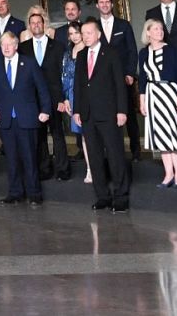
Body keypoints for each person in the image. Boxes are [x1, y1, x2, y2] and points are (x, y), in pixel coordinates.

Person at [0, 30, 52, 205]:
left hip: (28, 118)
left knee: (30, 158)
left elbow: (42, 89)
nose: (6, 48)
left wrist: (45, 110)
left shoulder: (29, 63)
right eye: (3, 45)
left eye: (9, 44)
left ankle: (34, 194)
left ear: (16, 46)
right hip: (5, 120)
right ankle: (15, 193)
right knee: (12, 159)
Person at [72, 17, 130, 212]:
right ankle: (102, 196)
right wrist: (77, 110)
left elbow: (119, 85)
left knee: (115, 155)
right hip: (88, 115)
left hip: (109, 113)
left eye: (89, 33)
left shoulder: (111, 53)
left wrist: (122, 110)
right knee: (95, 157)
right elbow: (79, 86)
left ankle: (120, 197)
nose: (85, 37)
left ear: (98, 34)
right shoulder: (80, 56)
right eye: (83, 33)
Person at [136, 16, 177, 188]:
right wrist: (142, 101)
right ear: (148, 32)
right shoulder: (143, 53)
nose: (159, 32)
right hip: (153, 96)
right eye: (155, 29)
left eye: (161, 29)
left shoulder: (173, 50)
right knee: (161, 137)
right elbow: (143, 80)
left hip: (171, 94)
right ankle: (168, 175)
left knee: (175, 135)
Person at [21, 11, 68, 180]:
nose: (36, 25)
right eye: (32, 23)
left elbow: (63, 74)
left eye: (38, 22)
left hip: (55, 98)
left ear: (44, 25)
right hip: (33, 99)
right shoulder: (23, 47)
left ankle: (62, 169)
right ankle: (44, 169)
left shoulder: (58, 46)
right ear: (29, 26)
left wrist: (62, 98)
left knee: (57, 134)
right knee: (39, 136)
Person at [95, 0, 140, 161]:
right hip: (102, 82)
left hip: (123, 79)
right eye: (101, 2)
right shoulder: (94, 26)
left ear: (112, 5)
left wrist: (129, 73)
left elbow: (132, 51)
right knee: (108, 117)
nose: (105, 5)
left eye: (107, 2)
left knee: (129, 116)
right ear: (97, 6)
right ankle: (114, 152)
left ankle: (136, 152)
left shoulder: (124, 25)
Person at [61, 22, 85, 181]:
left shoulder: (89, 49)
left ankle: (96, 167)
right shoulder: (68, 53)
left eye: (76, 32)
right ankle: (90, 168)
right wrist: (66, 98)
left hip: (86, 95)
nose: (74, 36)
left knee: (91, 134)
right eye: (71, 33)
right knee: (83, 135)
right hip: (72, 95)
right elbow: (64, 76)